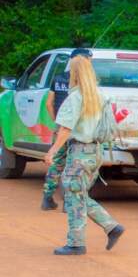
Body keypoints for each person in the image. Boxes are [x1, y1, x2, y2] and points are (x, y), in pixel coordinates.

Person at [44, 54, 125, 255]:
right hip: (96, 151)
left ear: (75, 73)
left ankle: (77, 243)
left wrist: (52, 151)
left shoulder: (76, 97)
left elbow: (65, 129)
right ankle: (109, 227)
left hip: (80, 151)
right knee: (76, 194)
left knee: (74, 194)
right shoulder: (100, 95)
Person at [42, 48, 92, 211]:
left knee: (56, 163)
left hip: (61, 126)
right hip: (78, 128)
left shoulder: (58, 78)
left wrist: (57, 121)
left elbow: (49, 103)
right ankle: (68, 202)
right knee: (73, 164)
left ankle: (47, 198)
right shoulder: (85, 82)